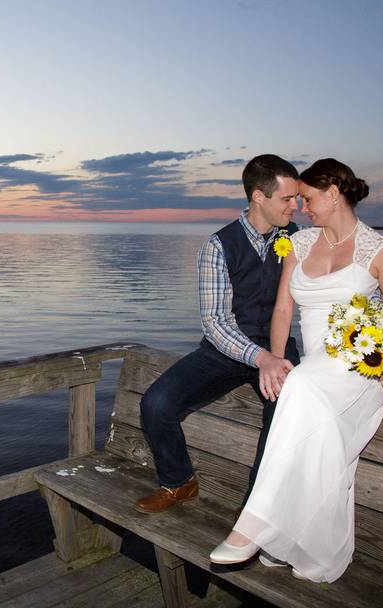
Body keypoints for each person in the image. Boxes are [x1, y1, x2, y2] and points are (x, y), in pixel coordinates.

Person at [208, 158, 383, 583]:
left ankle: (250, 528)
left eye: (307, 198)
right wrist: (278, 360)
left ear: (334, 194)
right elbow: (284, 309)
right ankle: (309, 545)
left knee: (302, 385)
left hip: (359, 367)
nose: (302, 207)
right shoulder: (300, 245)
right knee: (302, 388)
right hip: (314, 368)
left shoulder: (379, 252)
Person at [134, 154, 301, 517]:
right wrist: (260, 359)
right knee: (155, 404)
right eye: (287, 198)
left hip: (279, 350)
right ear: (259, 197)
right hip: (225, 350)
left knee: (284, 422)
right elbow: (215, 322)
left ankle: (255, 514)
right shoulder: (218, 246)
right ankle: (179, 482)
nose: (295, 205)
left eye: (297, 198)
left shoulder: (299, 240)